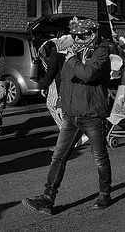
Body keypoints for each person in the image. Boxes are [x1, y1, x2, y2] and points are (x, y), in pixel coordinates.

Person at [21, 17, 113, 215]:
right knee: (58, 156)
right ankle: (47, 198)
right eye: (75, 35)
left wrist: (71, 59)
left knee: (99, 157)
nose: (78, 38)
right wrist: (62, 102)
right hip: (71, 114)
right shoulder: (72, 51)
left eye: (82, 35)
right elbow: (64, 79)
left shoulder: (102, 51)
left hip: (92, 114)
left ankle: (105, 194)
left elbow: (88, 74)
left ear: (93, 34)